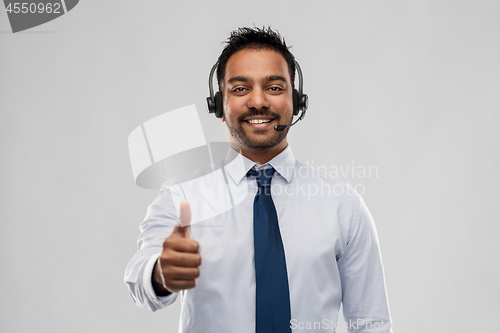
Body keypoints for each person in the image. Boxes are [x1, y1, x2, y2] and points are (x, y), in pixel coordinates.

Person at [125, 27, 393, 333]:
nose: (258, 102)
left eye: (275, 88)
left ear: (298, 101)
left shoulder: (343, 206)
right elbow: (139, 278)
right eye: (240, 89)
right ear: (218, 105)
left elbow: (371, 322)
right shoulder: (181, 196)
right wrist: (161, 274)